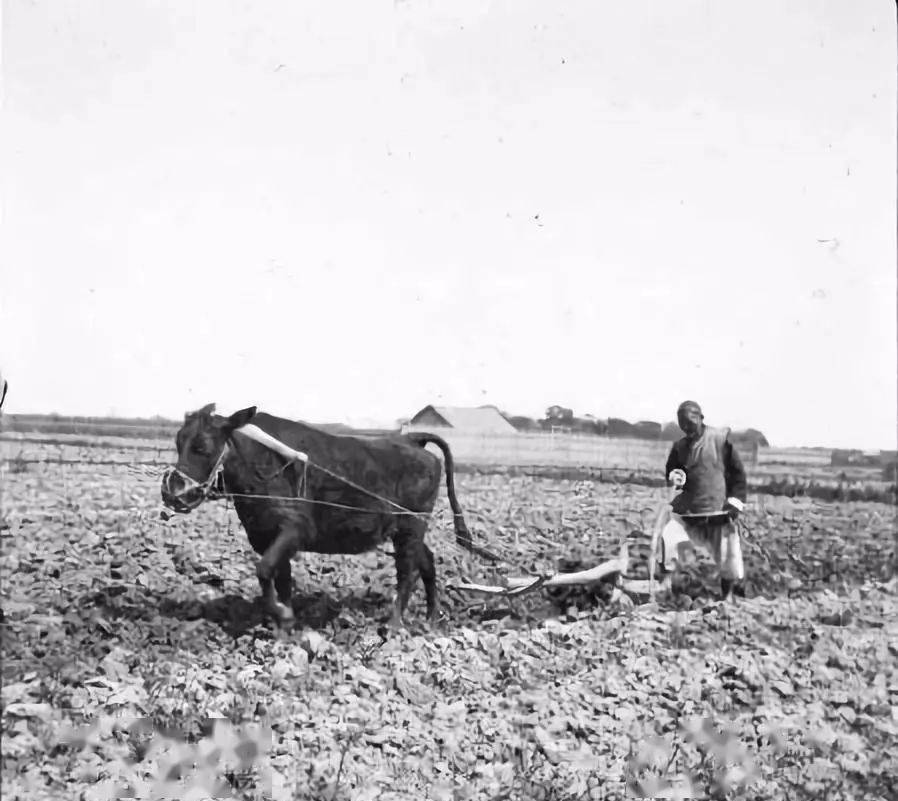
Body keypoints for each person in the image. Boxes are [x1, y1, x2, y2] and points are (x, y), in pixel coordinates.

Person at [655, 400, 748, 601]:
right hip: (690, 513)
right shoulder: (679, 447)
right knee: (669, 537)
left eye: (690, 422)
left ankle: (728, 596)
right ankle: (665, 586)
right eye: (682, 424)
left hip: (718, 512)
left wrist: (735, 502)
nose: (686, 428)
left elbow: (738, 475)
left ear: (701, 418)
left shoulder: (720, 440)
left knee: (728, 553)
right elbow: (672, 472)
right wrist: (675, 476)